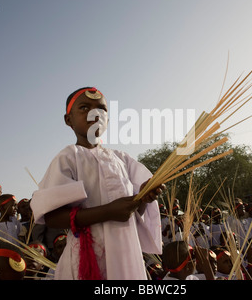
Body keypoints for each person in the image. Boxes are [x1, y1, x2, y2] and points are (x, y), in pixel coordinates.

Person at [30, 87, 164, 280]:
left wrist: (143, 198)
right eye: (84, 108)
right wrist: (107, 211)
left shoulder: (123, 159)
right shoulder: (68, 157)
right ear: (69, 120)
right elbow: (53, 217)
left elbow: (133, 215)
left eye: (101, 110)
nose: (94, 114)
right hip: (88, 257)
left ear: (108, 120)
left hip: (126, 253)